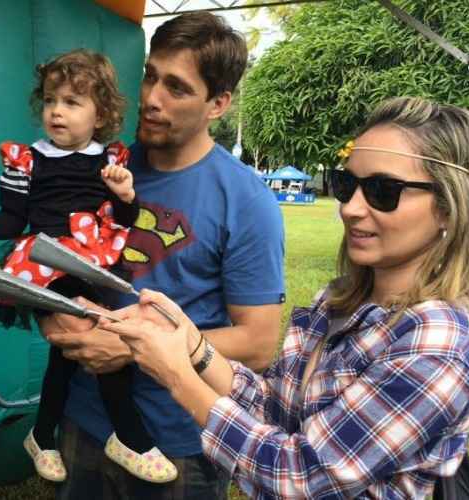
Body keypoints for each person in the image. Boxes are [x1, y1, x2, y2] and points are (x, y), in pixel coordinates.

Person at [99, 97, 469, 499]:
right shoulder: (339, 302)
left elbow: (300, 474)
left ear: (446, 206)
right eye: (349, 185)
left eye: (383, 191)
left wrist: (178, 376)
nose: (351, 208)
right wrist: (192, 345)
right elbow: (276, 408)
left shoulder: (438, 339)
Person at [38, 12, 285, 500]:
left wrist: (132, 346)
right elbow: (54, 260)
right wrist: (52, 315)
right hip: (84, 417)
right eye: (150, 76)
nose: (151, 98)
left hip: (179, 438)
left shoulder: (246, 200)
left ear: (219, 103)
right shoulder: (102, 168)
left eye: (177, 87)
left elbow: (257, 343)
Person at [0, 49, 177, 484]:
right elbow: (13, 218)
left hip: (86, 263)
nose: (56, 112)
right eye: (49, 100)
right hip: (40, 264)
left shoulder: (110, 161)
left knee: (69, 353)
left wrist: (125, 197)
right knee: (94, 330)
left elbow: (125, 223)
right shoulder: (28, 159)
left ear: (100, 115)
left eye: (71, 102)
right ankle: (129, 435)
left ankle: (43, 435)